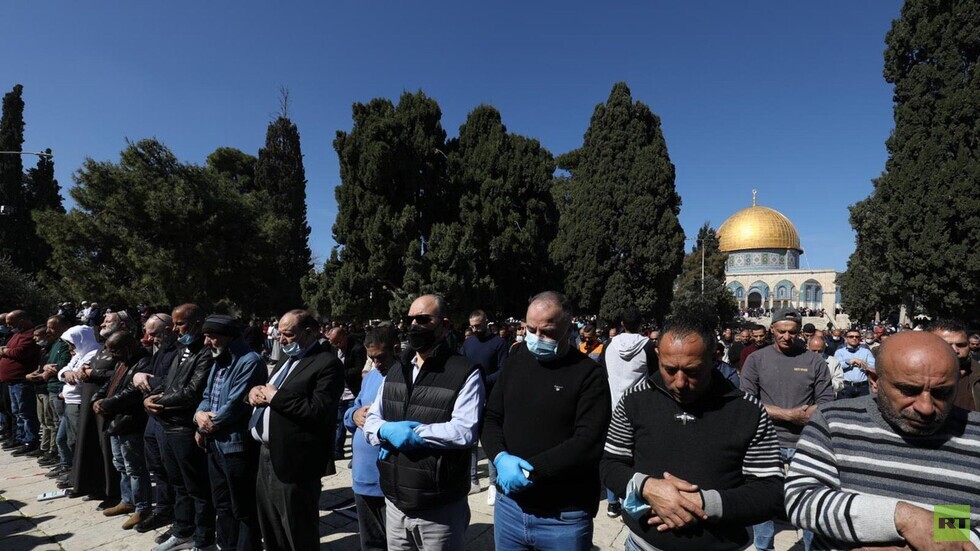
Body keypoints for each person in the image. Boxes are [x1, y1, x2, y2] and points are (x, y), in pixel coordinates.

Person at [601, 313, 783, 551]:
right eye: (669, 369)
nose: (679, 382)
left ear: (714, 358)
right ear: (657, 357)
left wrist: (703, 504)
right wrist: (646, 487)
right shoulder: (634, 400)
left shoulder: (747, 410)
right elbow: (610, 464)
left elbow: (769, 491)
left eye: (692, 371)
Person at [785, 331, 980, 549]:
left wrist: (938, 531)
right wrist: (902, 518)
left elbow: (972, 520)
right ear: (875, 381)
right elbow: (802, 500)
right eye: (908, 390)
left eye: (942, 393)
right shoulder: (834, 421)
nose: (925, 407)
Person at [481, 291, 611, 551]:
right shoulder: (515, 361)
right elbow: (491, 418)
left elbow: (588, 442)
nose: (537, 337)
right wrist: (499, 458)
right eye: (531, 329)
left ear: (567, 327)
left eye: (547, 331)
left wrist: (532, 470)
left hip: (564, 518)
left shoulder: (589, 375)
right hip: (510, 509)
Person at [364, 294, 485, 551]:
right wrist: (385, 429)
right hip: (396, 502)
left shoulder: (465, 371)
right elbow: (373, 416)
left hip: (439, 506)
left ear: (443, 324)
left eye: (423, 319)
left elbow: (464, 430)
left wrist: (416, 434)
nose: (414, 326)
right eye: (410, 320)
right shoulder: (398, 369)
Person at [247, 309, 345, 551]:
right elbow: (268, 391)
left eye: (288, 335)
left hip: (295, 462)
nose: (281, 341)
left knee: (297, 530)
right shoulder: (286, 360)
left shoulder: (327, 364)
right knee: (271, 526)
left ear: (309, 332)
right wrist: (252, 394)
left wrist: (275, 397)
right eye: (280, 334)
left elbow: (318, 411)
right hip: (266, 455)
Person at [740, 307, 834, 551]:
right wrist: (789, 415)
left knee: (808, 501)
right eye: (781, 331)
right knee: (765, 501)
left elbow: (826, 402)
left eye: (792, 332)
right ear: (772, 329)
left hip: (805, 443)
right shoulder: (756, 360)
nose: (786, 337)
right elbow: (748, 402)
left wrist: (805, 416)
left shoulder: (814, 361)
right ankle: (764, 547)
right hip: (766, 442)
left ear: (799, 332)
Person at [147, 304, 216, 551]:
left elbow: (191, 392)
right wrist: (150, 397)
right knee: (178, 484)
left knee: (197, 487)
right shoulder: (181, 349)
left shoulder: (205, 353)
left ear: (197, 324)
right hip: (168, 426)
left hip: (186, 428)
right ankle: (183, 529)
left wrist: (160, 401)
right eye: (174, 324)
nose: (175, 329)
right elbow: (168, 381)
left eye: (180, 324)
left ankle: (204, 537)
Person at [195, 315, 266, 551]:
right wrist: (199, 417)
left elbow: (236, 404)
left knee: (243, 508)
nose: (207, 342)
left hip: (236, 446)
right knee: (222, 504)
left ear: (229, 337)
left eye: (212, 336)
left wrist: (208, 424)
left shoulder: (249, 362)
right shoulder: (220, 361)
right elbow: (207, 396)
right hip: (215, 443)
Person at [345, 327, 400, 551]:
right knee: (370, 544)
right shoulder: (371, 377)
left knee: (394, 543)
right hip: (362, 478)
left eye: (380, 357)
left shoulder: (406, 376)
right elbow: (353, 410)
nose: (376, 364)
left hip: (389, 481)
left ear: (395, 349)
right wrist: (354, 415)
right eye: (371, 358)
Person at [93, 331, 152, 528]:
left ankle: (142, 507)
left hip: (130, 421)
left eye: (116, 351)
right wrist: (97, 399)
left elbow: (132, 393)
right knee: (120, 463)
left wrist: (107, 404)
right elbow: (110, 385)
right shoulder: (121, 362)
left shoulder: (144, 361)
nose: (113, 356)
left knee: (135, 467)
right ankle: (127, 500)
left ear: (128, 346)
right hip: (115, 422)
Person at [600, 306, 655, 518]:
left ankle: (613, 503)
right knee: (634, 458)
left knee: (614, 455)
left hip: (613, 407)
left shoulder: (609, 345)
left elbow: (603, 373)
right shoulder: (647, 346)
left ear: (622, 324)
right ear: (642, 325)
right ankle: (630, 501)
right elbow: (654, 375)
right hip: (639, 408)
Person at [132, 313, 180, 534]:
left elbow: (172, 381)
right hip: (152, 416)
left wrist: (145, 380)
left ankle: (178, 516)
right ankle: (163, 508)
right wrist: (139, 376)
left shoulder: (180, 350)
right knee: (156, 467)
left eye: (154, 334)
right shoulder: (160, 350)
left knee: (171, 470)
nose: (149, 339)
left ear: (169, 329)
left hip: (167, 416)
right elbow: (149, 374)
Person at [460, 309, 509, 501]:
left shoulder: (499, 343)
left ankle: (493, 483)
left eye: (478, 326)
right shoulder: (468, 343)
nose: (474, 329)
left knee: (490, 441)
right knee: (470, 441)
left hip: (491, 397)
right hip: (470, 398)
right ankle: (472, 480)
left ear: (486, 322)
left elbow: (503, 370)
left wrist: (482, 381)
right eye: (471, 326)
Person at [53, 326, 100, 487]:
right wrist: (66, 373)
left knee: (75, 441)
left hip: (79, 402)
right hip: (69, 402)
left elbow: (79, 378)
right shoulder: (79, 354)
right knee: (63, 439)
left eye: (71, 343)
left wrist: (68, 374)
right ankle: (72, 469)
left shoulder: (93, 353)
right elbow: (64, 370)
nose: (70, 348)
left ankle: (80, 474)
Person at [0, 310, 42, 455]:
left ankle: (31, 440)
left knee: (26, 413)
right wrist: (7, 350)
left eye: (11, 323)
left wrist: (5, 351)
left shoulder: (31, 335)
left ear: (22, 321)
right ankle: (20, 437)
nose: (8, 326)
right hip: (12, 382)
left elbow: (20, 352)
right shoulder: (16, 334)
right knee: (17, 412)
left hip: (22, 381)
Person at [326, 326, 366, 459]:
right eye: (332, 342)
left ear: (343, 338)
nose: (334, 345)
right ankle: (337, 451)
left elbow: (359, 369)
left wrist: (339, 372)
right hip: (339, 393)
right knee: (339, 424)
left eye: (336, 341)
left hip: (353, 393)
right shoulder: (333, 349)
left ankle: (356, 456)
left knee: (354, 425)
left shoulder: (357, 349)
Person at [927, 319, 979, 412]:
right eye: (946, 345)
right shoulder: (909, 376)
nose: (955, 350)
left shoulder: (977, 375)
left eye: (961, 345)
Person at [832, 328, 875, 398]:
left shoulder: (866, 352)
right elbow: (837, 366)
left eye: (857, 337)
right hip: (846, 387)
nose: (854, 338)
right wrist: (851, 361)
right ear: (846, 338)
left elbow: (873, 366)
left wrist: (861, 364)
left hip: (863, 387)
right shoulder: (840, 352)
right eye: (851, 336)